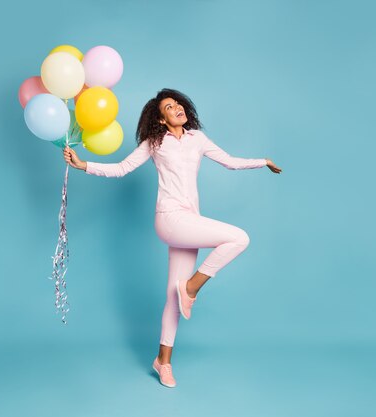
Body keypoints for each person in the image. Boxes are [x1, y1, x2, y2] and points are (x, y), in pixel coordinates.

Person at [63, 88, 282, 388]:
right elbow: (122, 168)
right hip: (169, 218)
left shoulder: (198, 139)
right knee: (238, 238)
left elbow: (230, 161)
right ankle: (190, 287)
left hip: (189, 221)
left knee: (172, 298)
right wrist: (83, 165)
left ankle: (162, 362)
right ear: (162, 119)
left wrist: (262, 161)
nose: (177, 107)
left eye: (177, 103)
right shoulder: (155, 142)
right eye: (169, 107)